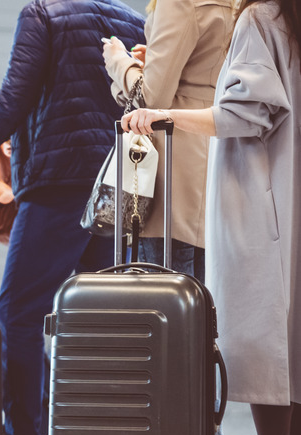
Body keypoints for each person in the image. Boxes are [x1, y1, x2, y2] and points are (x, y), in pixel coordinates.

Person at [0, 0, 145, 435]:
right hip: (117, 185)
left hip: (59, 183)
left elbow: (13, 99)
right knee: (97, 317)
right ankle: (89, 425)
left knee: (18, 312)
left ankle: (24, 429)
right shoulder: (132, 19)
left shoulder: (42, 14)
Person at [122, 1, 301, 435]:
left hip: (257, 203)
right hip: (283, 200)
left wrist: (163, 114)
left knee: (258, 365)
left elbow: (245, 112)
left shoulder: (262, 19)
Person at [102, 0, 234, 281]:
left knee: (164, 305)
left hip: (172, 168)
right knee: (203, 305)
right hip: (215, 159)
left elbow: (150, 98)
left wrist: (119, 62)